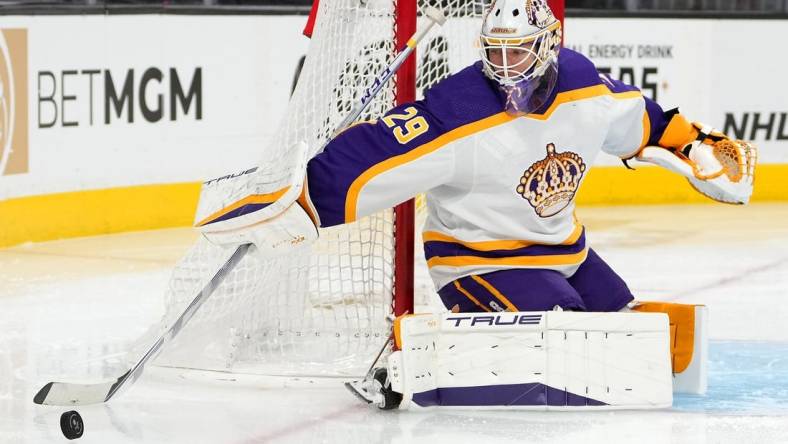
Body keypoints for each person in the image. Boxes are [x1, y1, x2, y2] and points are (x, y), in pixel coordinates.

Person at [201, 0, 755, 315]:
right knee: (570, 333)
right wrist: (301, 200)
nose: (507, 65)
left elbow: (645, 120)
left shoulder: (585, 86)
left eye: (519, 51)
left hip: (566, 253)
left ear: (551, 45)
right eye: (496, 52)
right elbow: (380, 150)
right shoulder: (459, 107)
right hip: (478, 262)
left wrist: (693, 144)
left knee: (629, 327)